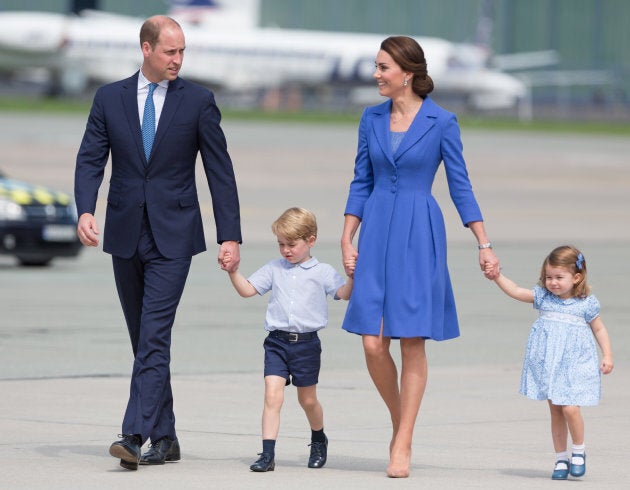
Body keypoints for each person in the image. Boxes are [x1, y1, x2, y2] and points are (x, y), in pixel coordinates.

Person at [74, 15, 242, 470]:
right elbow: (91, 157)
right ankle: (165, 436)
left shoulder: (198, 101)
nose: (179, 59)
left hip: (175, 236)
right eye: (171, 51)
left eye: (183, 51)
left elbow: (219, 172)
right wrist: (86, 209)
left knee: (153, 335)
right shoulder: (109, 98)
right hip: (126, 233)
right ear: (146, 49)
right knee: (143, 340)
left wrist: (230, 235)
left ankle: (133, 434)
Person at [339, 35, 499, 478]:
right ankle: (401, 422)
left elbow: (460, 185)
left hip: (418, 230)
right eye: (376, 66)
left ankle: (402, 441)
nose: (375, 74)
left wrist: (483, 242)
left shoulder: (442, 122)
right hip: (375, 230)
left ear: (406, 73)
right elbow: (360, 180)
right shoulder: (370, 119)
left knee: (410, 341)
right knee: (372, 342)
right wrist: (348, 235)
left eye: (383, 67)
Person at [222, 207, 354, 472]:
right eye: (281, 244)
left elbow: (343, 293)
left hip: (306, 345)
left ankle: (318, 438)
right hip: (276, 343)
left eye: (292, 244)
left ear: (311, 240)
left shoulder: (323, 271)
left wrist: (353, 276)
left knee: (308, 401)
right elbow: (248, 290)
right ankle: (267, 454)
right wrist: (232, 272)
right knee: (273, 396)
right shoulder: (274, 268)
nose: (286, 250)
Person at [487, 245, 613, 480]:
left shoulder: (586, 303)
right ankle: (561, 459)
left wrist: (607, 354)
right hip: (549, 363)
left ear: (576, 278)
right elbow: (515, 290)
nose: (553, 283)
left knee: (570, 408)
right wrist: (497, 277)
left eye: (559, 277)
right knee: (555, 410)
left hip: (575, 363)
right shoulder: (543, 297)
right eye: (548, 277)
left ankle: (578, 450)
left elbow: (599, 328)